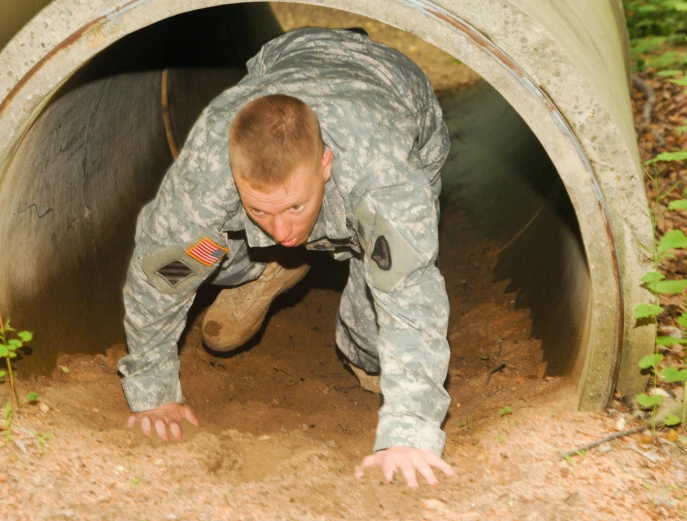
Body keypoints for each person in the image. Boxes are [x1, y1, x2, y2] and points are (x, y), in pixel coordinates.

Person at [118, 27, 454, 489]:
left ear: (326, 164)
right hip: (289, 57)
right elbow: (161, 276)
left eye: (294, 207)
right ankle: (269, 269)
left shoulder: (384, 181)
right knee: (198, 252)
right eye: (261, 210)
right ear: (235, 179)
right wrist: (152, 389)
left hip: (393, 95)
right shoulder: (208, 173)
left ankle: (349, 310)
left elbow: (411, 298)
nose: (280, 228)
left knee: (373, 339)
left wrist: (409, 430)